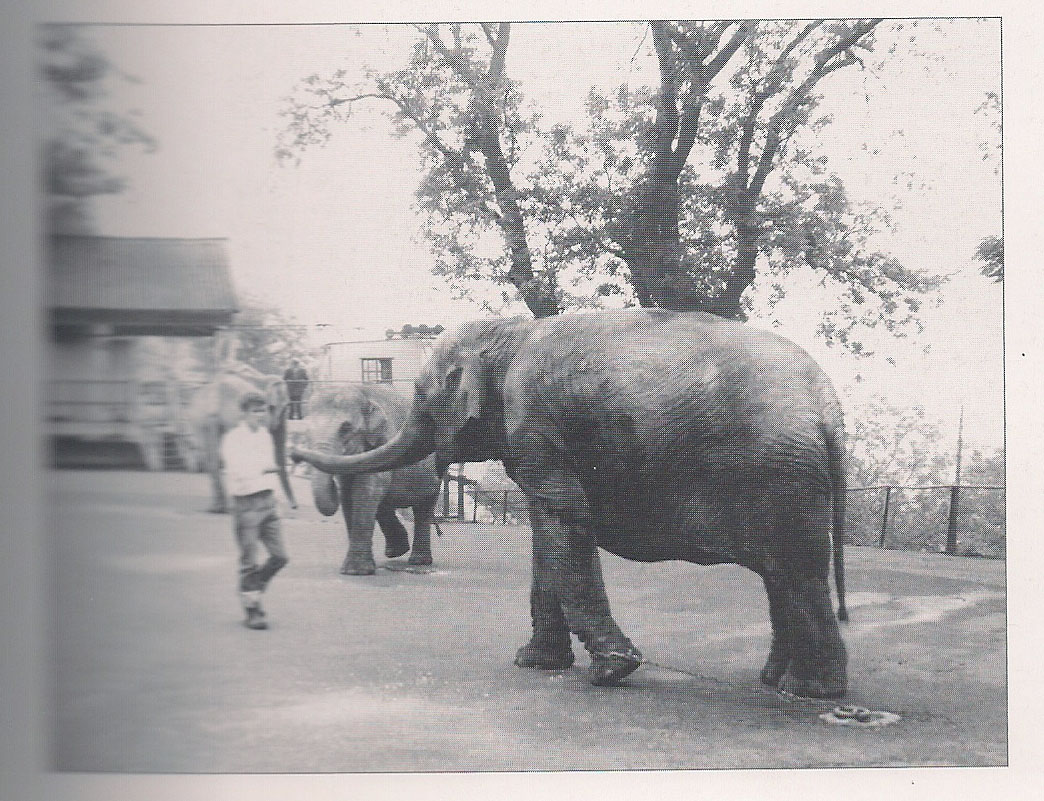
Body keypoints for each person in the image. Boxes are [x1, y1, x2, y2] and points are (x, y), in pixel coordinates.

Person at [221, 391, 290, 630]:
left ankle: (251, 587)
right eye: (255, 411)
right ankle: (253, 610)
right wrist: (264, 469)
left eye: (263, 411)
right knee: (249, 561)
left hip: (267, 501)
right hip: (246, 503)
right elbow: (238, 470)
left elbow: (272, 468)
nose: (260, 416)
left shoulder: (264, 436)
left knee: (280, 556)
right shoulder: (233, 439)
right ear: (244, 413)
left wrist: (279, 498)